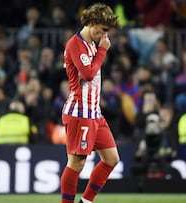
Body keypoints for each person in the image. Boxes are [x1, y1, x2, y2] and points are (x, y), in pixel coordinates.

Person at [60, 3, 121, 203]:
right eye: (103, 30)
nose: (105, 36)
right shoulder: (76, 44)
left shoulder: (92, 44)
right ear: (93, 23)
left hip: (94, 112)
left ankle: (86, 201)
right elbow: (87, 73)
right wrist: (103, 51)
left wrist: (99, 48)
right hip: (80, 111)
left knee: (112, 159)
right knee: (76, 163)